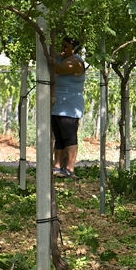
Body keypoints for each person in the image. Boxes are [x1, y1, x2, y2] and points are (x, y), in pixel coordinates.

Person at [52, 36, 86, 178]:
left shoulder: (75, 62)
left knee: (69, 136)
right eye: (62, 45)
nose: (63, 49)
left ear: (74, 49)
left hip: (70, 107)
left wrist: (48, 59)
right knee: (59, 138)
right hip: (58, 105)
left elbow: (59, 69)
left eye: (66, 46)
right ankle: (57, 166)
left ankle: (70, 168)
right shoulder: (61, 58)